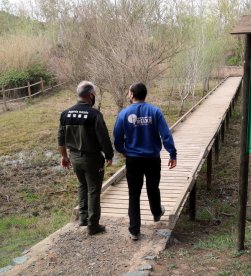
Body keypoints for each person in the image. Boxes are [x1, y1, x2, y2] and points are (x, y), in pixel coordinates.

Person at [113, 82, 177, 241]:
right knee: (153, 187)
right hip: (152, 158)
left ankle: (134, 230)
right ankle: (156, 213)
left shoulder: (124, 113)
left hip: (133, 159)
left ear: (132, 95)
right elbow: (166, 135)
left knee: (134, 194)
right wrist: (172, 154)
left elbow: (117, 137)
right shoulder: (155, 112)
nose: (128, 94)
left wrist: (123, 151)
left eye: (129, 92)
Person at [58, 81, 114, 235]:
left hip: (74, 157)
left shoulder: (65, 114)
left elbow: (61, 139)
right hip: (92, 159)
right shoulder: (94, 114)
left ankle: (83, 218)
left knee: (82, 185)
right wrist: (109, 155)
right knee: (94, 190)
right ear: (91, 95)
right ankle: (93, 225)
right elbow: (103, 139)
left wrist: (64, 156)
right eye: (94, 95)